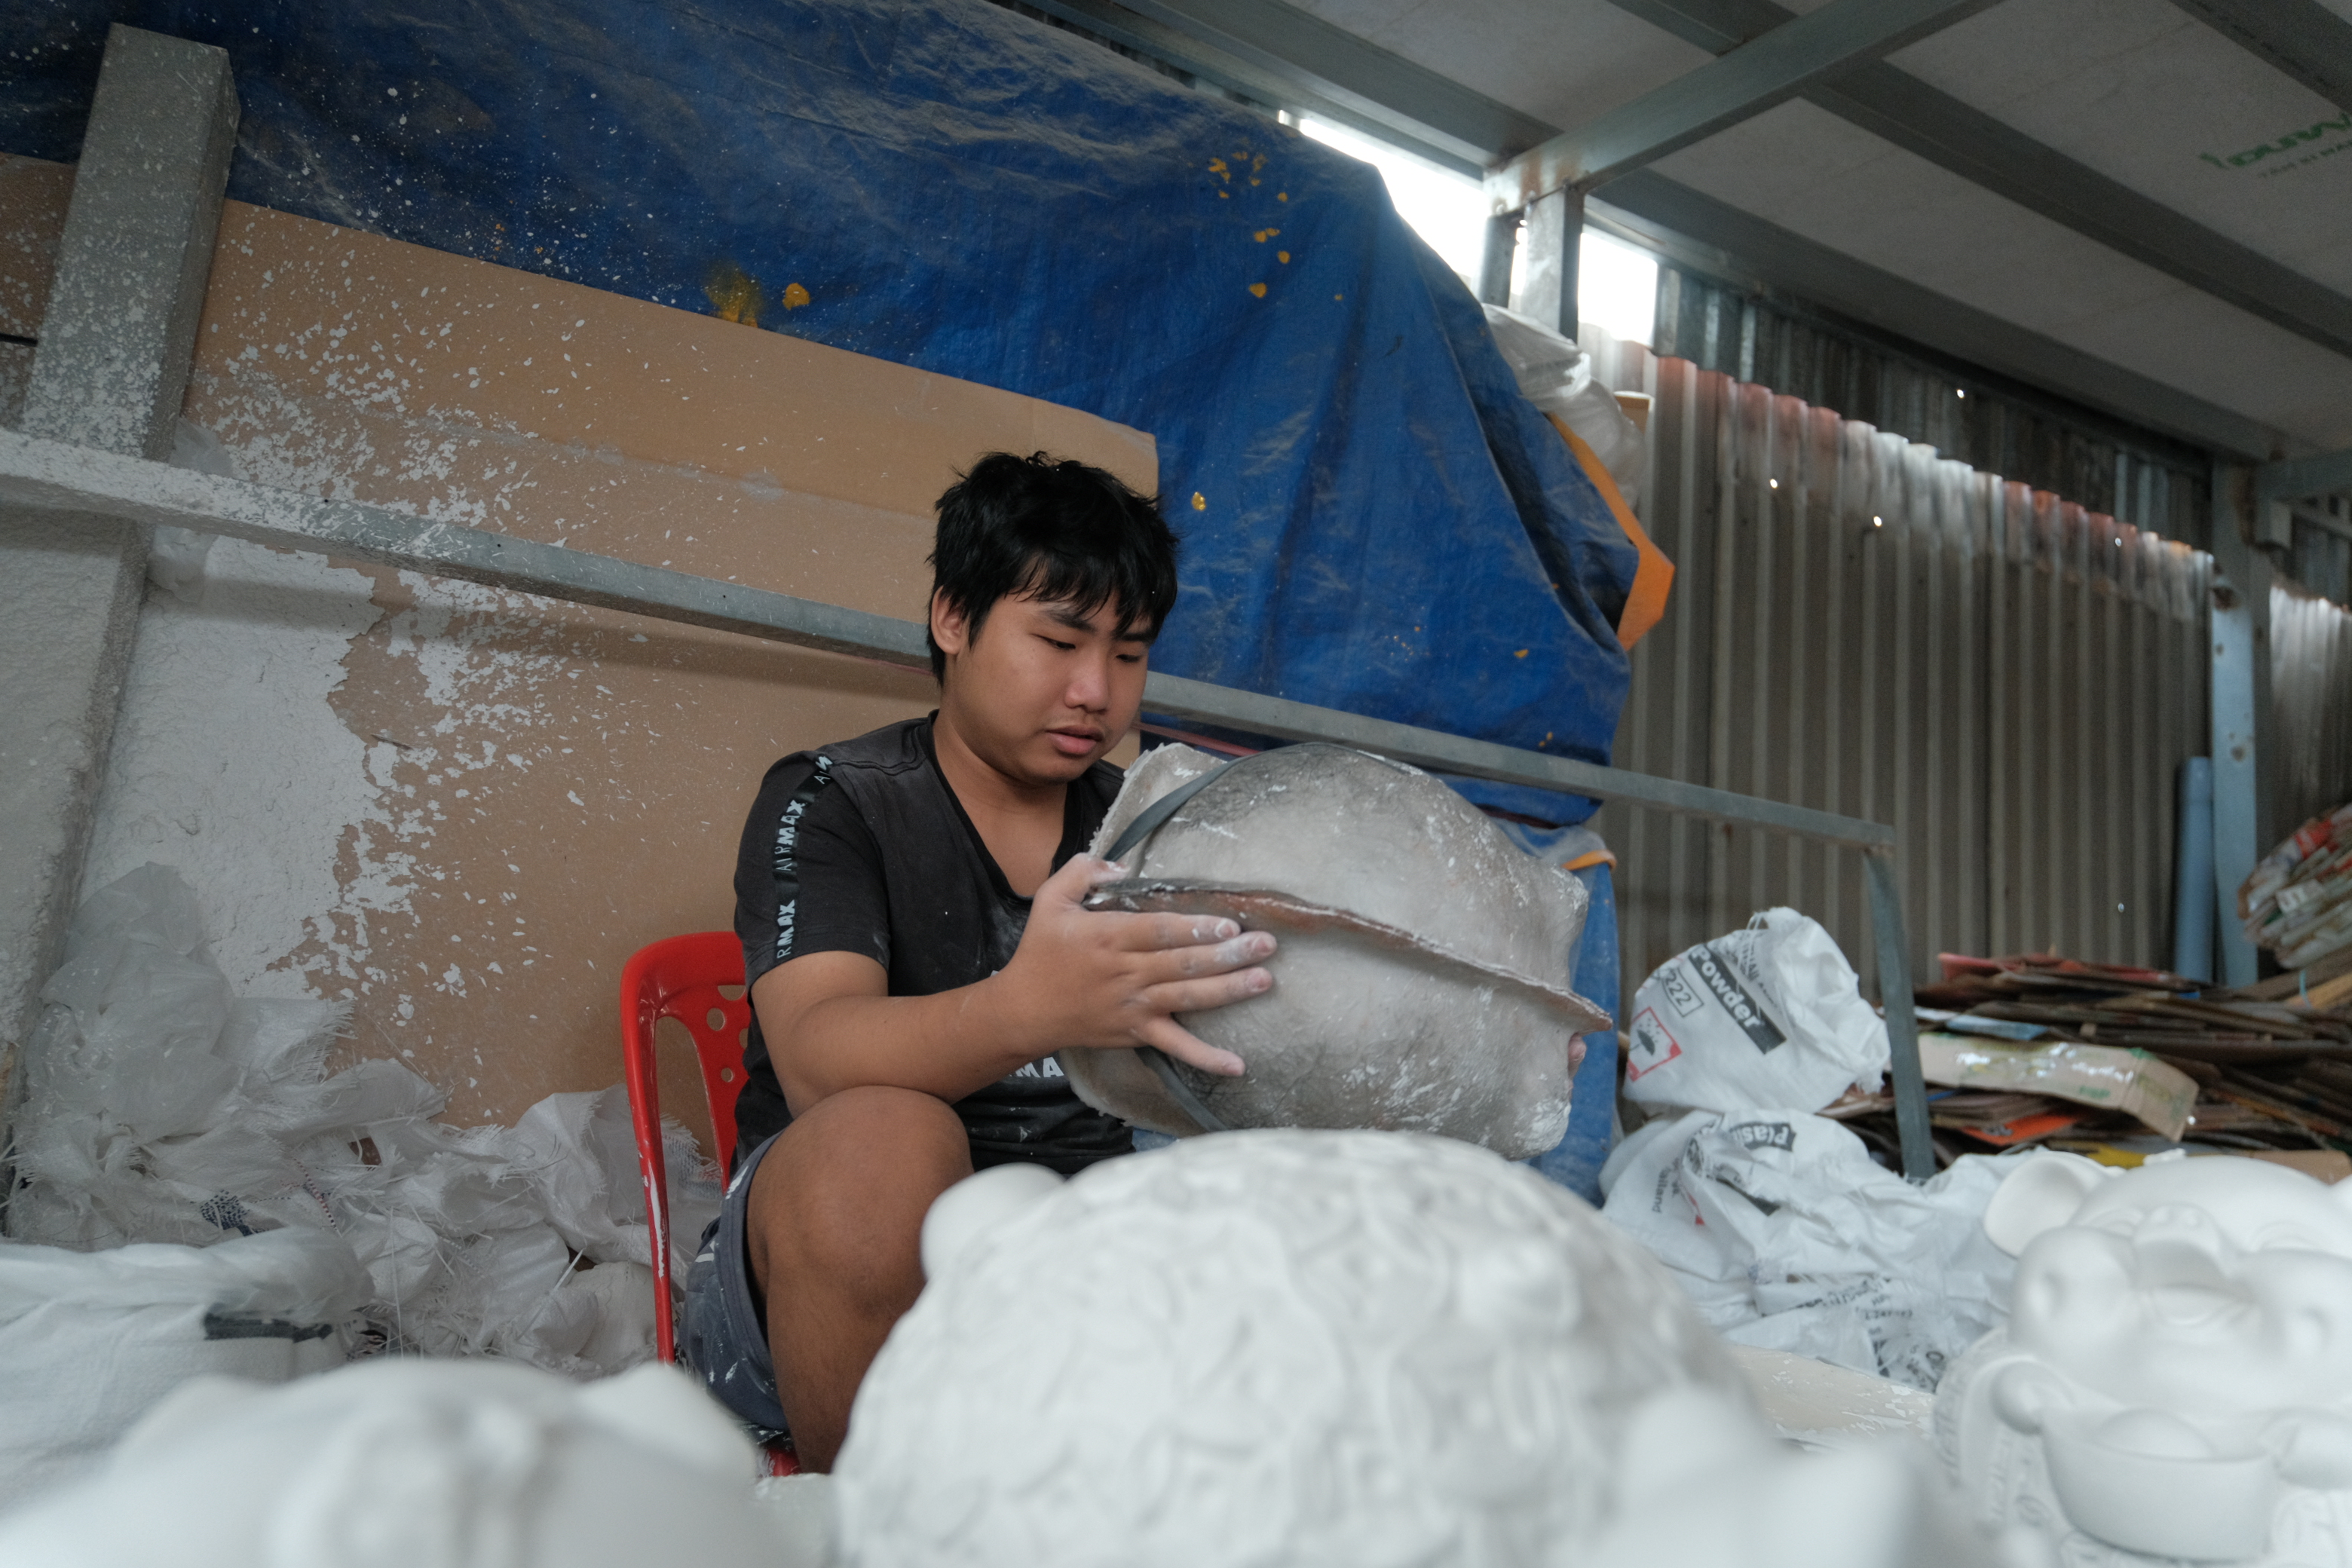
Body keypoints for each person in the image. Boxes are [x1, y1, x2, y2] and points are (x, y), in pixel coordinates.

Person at [681, 451, 1276, 1471]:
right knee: (882, 1138)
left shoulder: (1149, 829)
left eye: (1129, 655)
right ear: (952, 619)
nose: (1096, 691)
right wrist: (1028, 1008)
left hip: (1065, 1277)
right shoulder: (838, 802)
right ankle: (874, 1525)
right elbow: (819, 1059)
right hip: (828, 1295)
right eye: (1058, 640)